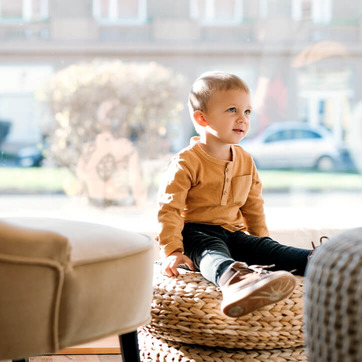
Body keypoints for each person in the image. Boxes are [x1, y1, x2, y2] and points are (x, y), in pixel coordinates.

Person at [155, 71, 312, 318]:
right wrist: (172, 251)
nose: (243, 118)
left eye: (247, 112)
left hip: (233, 232)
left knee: (272, 250)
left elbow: (253, 205)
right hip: (196, 233)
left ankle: (324, 262)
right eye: (232, 110)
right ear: (202, 118)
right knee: (211, 254)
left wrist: (262, 243)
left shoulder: (245, 160)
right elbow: (169, 209)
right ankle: (236, 282)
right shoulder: (186, 162)